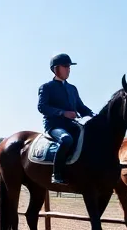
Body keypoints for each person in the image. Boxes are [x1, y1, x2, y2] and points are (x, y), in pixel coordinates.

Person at [38, 53, 94, 185]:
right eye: (66, 66)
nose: (69, 69)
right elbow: (42, 107)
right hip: (54, 125)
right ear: (56, 68)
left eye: (69, 66)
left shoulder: (72, 88)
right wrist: (62, 113)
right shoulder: (46, 87)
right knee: (66, 139)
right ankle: (56, 174)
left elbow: (81, 107)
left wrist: (94, 116)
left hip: (72, 124)